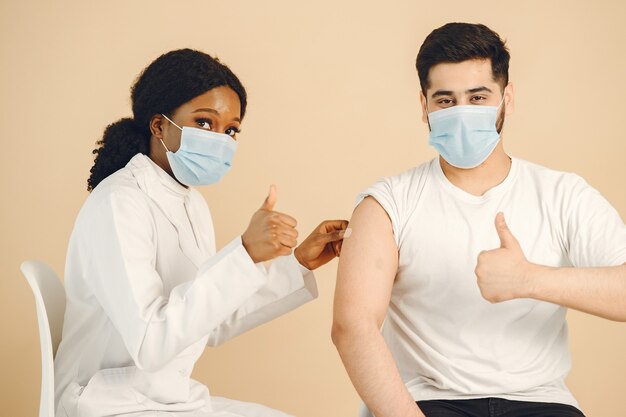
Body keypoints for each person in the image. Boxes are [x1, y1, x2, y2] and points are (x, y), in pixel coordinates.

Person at [332, 22, 626, 417]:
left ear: (507, 98)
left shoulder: (563, 194)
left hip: (539, 401)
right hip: (427, 401)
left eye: (478, 97)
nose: (462, 113)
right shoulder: (386, 204)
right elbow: (353, 326)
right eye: (446, 101)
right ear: (424, 106)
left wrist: (530, 280)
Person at [54, 48, 348, 417]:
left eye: (231, 130)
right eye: (205, 123)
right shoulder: (120, 202)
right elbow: (150, 342)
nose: (220, 140)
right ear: (159, 125)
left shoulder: (192, 205)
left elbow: (211, 321)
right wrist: (245, 253)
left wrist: (300, 262)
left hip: (166, 399)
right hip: (106, 402)